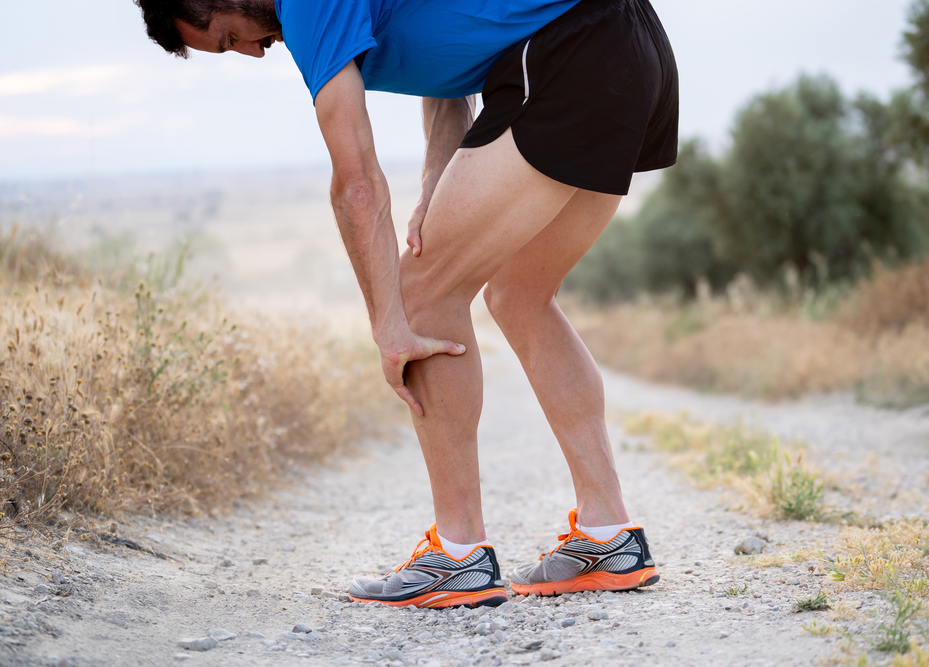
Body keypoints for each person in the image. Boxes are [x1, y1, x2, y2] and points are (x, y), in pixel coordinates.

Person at [135, 0, 678, 609]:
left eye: (230, 38)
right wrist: (437, 180)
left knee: (421, 295)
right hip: (634, 52)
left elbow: (356, 183)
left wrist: (389, 325)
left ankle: (458, 554)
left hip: (569, 56)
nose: (254, 53)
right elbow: (451, 73)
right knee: (520, 295)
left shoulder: (307, 8)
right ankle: (609, 536)